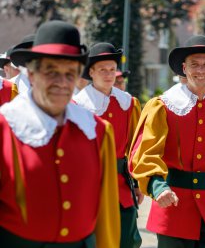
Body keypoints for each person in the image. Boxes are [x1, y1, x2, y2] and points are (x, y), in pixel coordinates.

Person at [1, 20, 120, 248]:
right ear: (32, 75)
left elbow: (107, 217)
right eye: (51, 71)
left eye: (70, 73)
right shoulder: (5, 127)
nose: (61, 82)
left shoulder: (98, 131)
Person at [129, 35, 205, 248]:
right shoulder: (162, 106)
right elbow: (145, 153)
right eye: (194, 65)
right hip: (172, 208)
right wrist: (159, 187)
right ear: (184, 68)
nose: (201, 70)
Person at [73, 42, 143, 248]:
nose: (108, 74)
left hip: (122, 184)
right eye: (102, 69)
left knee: (128, 240)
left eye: (112, 69)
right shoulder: (78, 105)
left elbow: (135, 146)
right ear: (91, 72)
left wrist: (137, 183)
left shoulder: (128, 103)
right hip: (90, 185)